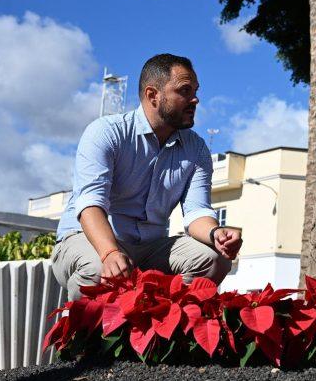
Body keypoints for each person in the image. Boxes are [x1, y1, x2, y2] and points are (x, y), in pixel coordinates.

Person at [52, 54, 242, 300]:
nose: (195, 99)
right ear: (153, 95)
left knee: (214, 260)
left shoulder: (196, 149)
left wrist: (216, 233)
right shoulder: (106, 132)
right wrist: (109, 252)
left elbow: (196, 212)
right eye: (184, 90)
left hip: (150, 246)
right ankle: (83, 337)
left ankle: (163, 329)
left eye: (195, 91)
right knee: (99, 270)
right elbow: (91, 202)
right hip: (88, 238)